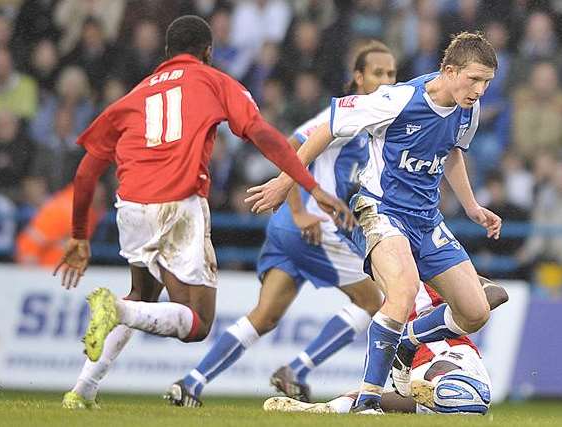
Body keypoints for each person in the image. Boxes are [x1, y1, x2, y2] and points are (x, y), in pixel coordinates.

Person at [56, 15, 353, 409]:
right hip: (177, 204)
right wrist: (311, 185)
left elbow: (86, 171)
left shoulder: (134, 95)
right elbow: (262, 132)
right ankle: (117, 310)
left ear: (166, 52)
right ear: (208, 52)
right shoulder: (215, 81)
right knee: (197, 323)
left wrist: (79, 235)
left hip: (130, 206)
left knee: (143, 293)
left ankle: (83, 390)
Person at [246, 32, 502, 414]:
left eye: (486, 82)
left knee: (476, 311)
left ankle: (409, 342)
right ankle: (368, 400)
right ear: (448, 71)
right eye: (474, 79)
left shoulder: (468, 109)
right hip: (382, 211)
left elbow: (452, 154)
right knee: (401, 293)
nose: (480, 90)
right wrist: (285, 182)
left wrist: (471, 206)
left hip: (426, 219)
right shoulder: (397, 99)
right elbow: (328, 127)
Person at [163, 41, 396, 407]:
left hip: (289, 229)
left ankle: (191, 382)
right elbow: (290, 145)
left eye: (391, 74)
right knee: (378, 300)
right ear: (358, 77)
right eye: (377, 73)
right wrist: (302, 210)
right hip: (313, 227)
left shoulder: (374, 121)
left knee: (265, 316)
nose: (385, 80)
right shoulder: (353, 113)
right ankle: (298, 370)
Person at [263, 277, 508, 415]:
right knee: (360, 401)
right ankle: (323, 410)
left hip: (450, 353)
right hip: (412, 374)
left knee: (441, 380)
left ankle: (452, 394)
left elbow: (497, 294)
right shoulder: (379, 286)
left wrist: (432, 323)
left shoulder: (441, 271)